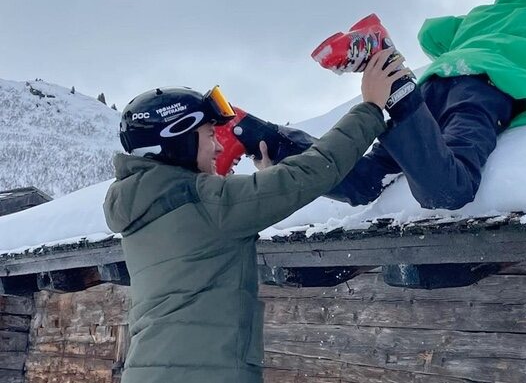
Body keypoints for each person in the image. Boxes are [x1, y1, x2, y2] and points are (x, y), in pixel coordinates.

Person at [247, 0, 526, 288]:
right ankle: (396, 88)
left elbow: (432, 34)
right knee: (448, 191)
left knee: (368, 183)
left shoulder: (482, 15)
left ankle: (266, 138)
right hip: (483, 91)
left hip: (434, 88)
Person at [101, 50, 408, 383]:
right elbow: (309, 173)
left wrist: (261, 185)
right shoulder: (206, 202)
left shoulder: (143, 204)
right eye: (208, 136)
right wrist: (370, 108)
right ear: (177, 143)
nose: (219, 147)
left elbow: (207, 233)